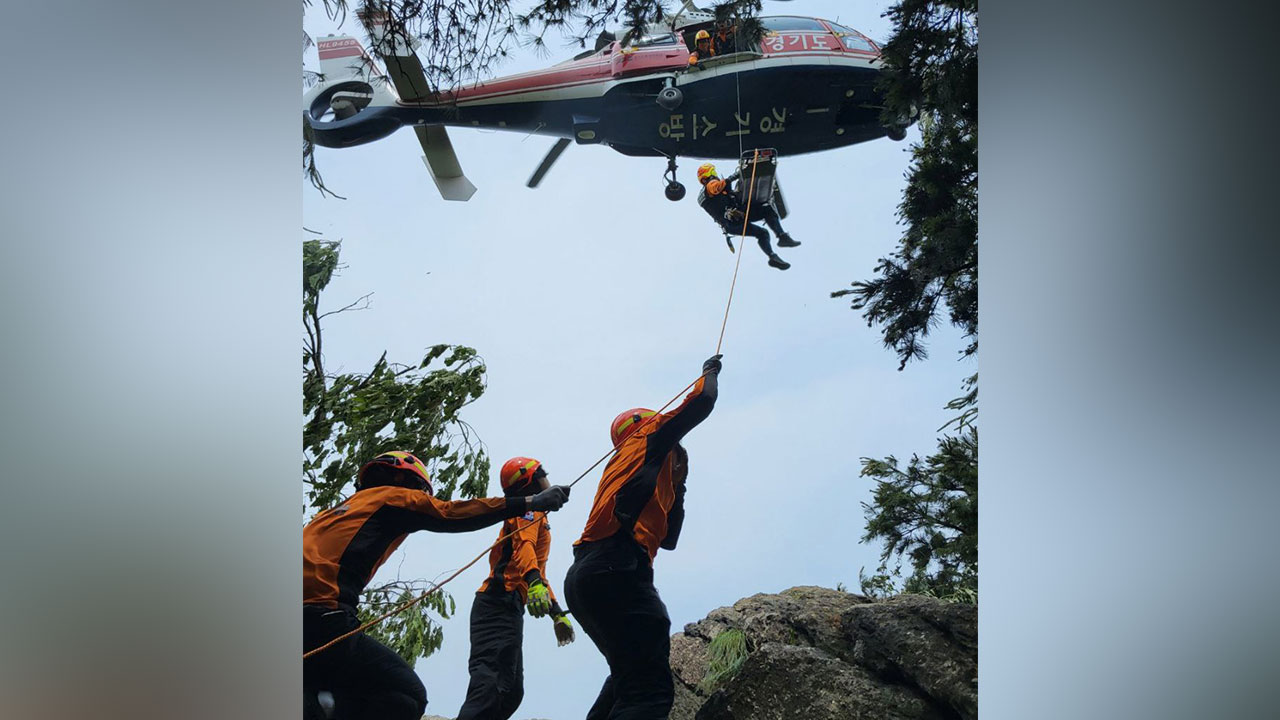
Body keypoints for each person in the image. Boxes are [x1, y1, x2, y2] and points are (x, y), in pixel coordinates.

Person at [303, 451, 571, 720]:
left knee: (510, 690)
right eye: (420, 491)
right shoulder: (392, 498)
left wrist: (556, 610)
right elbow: (451, 513)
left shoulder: (334, 514)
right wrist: (531, 502)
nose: (421, 497)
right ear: (402, 479)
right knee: (406, 695)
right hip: (324, 616)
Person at [563, 354, 722, 720]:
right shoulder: (648, 436)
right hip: (617, 565)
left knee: (628, 678)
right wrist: (709, 373)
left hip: (588, 574)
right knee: (648, 693)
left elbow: (669, 539)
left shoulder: (632, 466)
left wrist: (679, 486)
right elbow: (702, 401)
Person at [456, 456, 576, 720]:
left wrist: (556, 612)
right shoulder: (527, 511)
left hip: (509, 606)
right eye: (542, 475)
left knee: (511, 692)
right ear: (529, 482)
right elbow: (524, 548)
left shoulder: (538, 517)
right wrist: (533, 582)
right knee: (490, 684)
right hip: (496, 602)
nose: (547, 480)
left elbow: (538, 570)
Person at [696, 162, 799, 271]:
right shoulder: (710, 185)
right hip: (735, 217)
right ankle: (782, 236)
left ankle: (772, 256)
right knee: (767, 210)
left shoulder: (705, 196)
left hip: (733, 222)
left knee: (763, 233)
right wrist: (733, 177)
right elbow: (715, 187)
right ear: (709, 173)